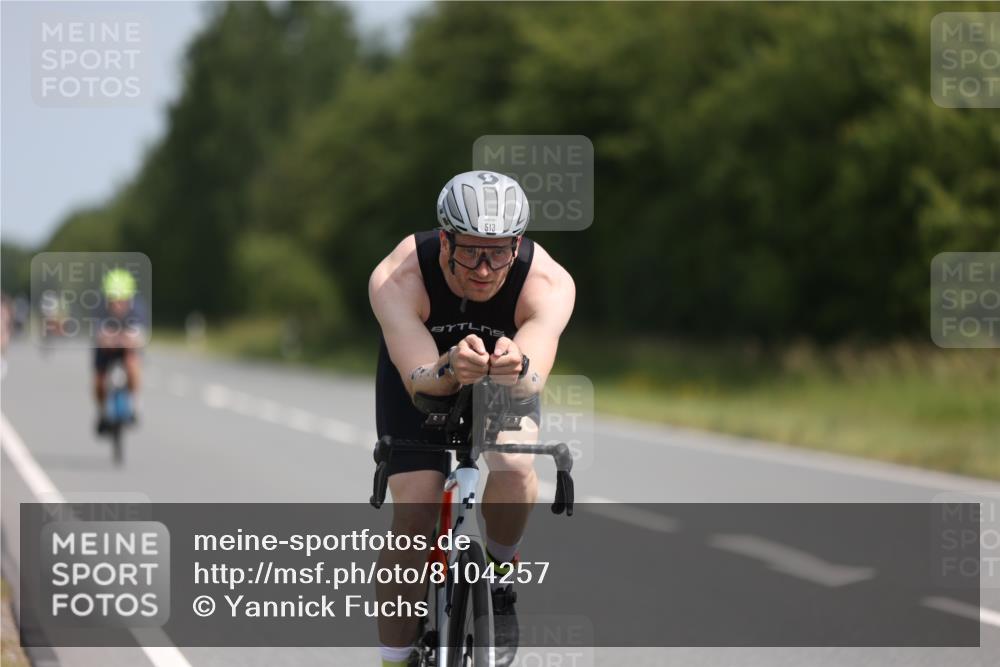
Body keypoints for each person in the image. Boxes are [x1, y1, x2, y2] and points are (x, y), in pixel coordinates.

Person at [369, 170, 575, 666]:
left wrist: (516, 368)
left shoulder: (548, 283)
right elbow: (419, 381)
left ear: (517, 245)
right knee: (415, 511)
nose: (484, 269)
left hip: (502, 381)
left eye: (499, 253)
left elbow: (532, 379)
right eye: (470, 252)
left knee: (515, 465)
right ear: (445, 240)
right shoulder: (398, 277)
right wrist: (448, 368)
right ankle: (394, 659)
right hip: (424, 377)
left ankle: (499, 579)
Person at [94, 268, 147, 434]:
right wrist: (108, 339)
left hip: (127, 349)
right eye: (113, 300)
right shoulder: (100, 309)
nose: (117, 305)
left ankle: (135, 405)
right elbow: (99, 336)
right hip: (106, 350)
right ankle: (102, 414)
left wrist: (125, 339)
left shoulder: (138, 309)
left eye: (121, 300)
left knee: (133, 363)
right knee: (99, 379)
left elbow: (140, 337)